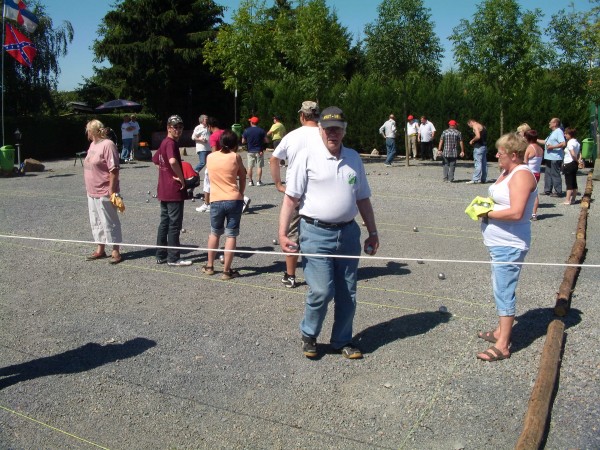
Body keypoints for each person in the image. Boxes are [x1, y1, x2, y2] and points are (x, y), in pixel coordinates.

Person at [278, 106, 379, 360]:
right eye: (328, 128)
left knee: (348, 291)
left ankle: (342, 340)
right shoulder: (306, 156)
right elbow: (291, 199)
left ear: (344, 131)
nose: (333, 133)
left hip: (348, 234)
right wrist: (282, 234)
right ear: (320, 129)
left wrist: (373, 232)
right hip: (315, 233)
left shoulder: (354, 158)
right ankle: (309, 334)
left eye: (338, 128)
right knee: (321, 290)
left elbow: (363, 198)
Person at [476, 133, 537, 362]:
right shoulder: (507, 172)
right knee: (499, 286)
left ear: (513, 154)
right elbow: (503, 201)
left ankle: (503, 345)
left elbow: (517, 212)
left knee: (504, 290)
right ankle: (501, 331)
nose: (496, 155)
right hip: (497, 241)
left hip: (510, 243)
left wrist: (486, 213)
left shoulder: (521, 175)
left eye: (500, 152)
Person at [269, 100, 322, 289]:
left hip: (295, 192)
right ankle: (321, 273)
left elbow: (274, 159)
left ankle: (290, 276)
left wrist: (278, 184)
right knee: (320, 231)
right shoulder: (326, 134)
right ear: (318, 115)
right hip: (319, 191)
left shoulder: (292, 136)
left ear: (302, 115)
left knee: (292, 234)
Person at [202, 130, 247, 280]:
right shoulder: (235, 157)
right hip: (233, 198)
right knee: (231, 234)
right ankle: (226, 271)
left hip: (216, 199)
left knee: (214, 232)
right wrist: (241, 192)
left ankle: (209, 265)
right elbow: (243, 175)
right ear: (235, 144)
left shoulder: (210, 157)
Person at [153, 115, 191, 267]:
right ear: (168, 127)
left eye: (180, 127)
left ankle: (161, 254)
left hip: (164, 189)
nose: (178, 130)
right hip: (173, 190)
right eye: (175, 127)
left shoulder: (164, 143)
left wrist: (166, 173)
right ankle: (173, 258)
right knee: (174, 224)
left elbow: (156, 160)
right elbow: (173, 161)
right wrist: (181, 178)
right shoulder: (171, 144)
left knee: (165, 223)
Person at [83, 119, 123, 265]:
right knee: (96, 220)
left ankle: (115, 250)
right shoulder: (93, 144)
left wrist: (112, 190)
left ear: (92, 131)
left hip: (105, 190)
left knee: (110, 221)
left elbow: (114, 169)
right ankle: (100, 248)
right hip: (92, 190)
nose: (86, 133)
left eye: (87, 130)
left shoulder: (108, 145)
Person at [195, 117, 224, 213]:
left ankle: (207, 204)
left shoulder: (213, 136)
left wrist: (210, 165)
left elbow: (214, 152)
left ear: (209, 126)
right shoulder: (225, 133)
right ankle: (241, 200)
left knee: (207, 183)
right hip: (225, 162)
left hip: (216, 163)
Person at [537, 117, 565, 197]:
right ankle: (547, 190)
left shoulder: (558, 132)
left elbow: (563, 143)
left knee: (555, 174)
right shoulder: (552, 133)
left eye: (551, 122)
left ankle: (558, 191)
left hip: (555, 157)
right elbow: (545, 142)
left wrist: (553, 147)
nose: (549, 123)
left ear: (555, 123)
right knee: (548, 174)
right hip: (549, 157)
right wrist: (535, 139)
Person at [523, 130, 543, 220]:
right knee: (534, 193)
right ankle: (534, 214)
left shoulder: (530, 148)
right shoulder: (540, 148)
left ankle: (524, 212)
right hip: (537, 173)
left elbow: (525, 162)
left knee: (525, 193)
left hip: (529, 173)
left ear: (528, 138)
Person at [242, 116, 268, 186]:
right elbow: (266, 140)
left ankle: (250, 181)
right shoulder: (261, 130)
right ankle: (258, 181)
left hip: (250, 150)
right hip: (259, 151)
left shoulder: (246, 130)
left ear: (252, 122)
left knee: (250, 167)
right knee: (259, 166)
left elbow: (243, 141)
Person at [562, 127, 581, 205]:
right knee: (574, 181)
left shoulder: (570, 142)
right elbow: (579, 153)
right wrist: (579, 160)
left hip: (569, 163)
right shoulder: (577, 142)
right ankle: (573, 199)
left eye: (566, 134)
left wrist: (577, 160)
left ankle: (567, 200)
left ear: (569, 134)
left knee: (569, 182)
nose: (565, 135)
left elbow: (573, 154)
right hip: (574, 164)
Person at [466, 118, 488, 184]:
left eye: (469, 125)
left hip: (478, 147)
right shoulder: (483, 126)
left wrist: (472, 140)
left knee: (478, 163)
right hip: (484, 146)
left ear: (471, 122)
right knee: (484, 163)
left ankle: (475, 179)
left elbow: (478, 136)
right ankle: (483, 179)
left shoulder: (475, 126)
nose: (470, 127)